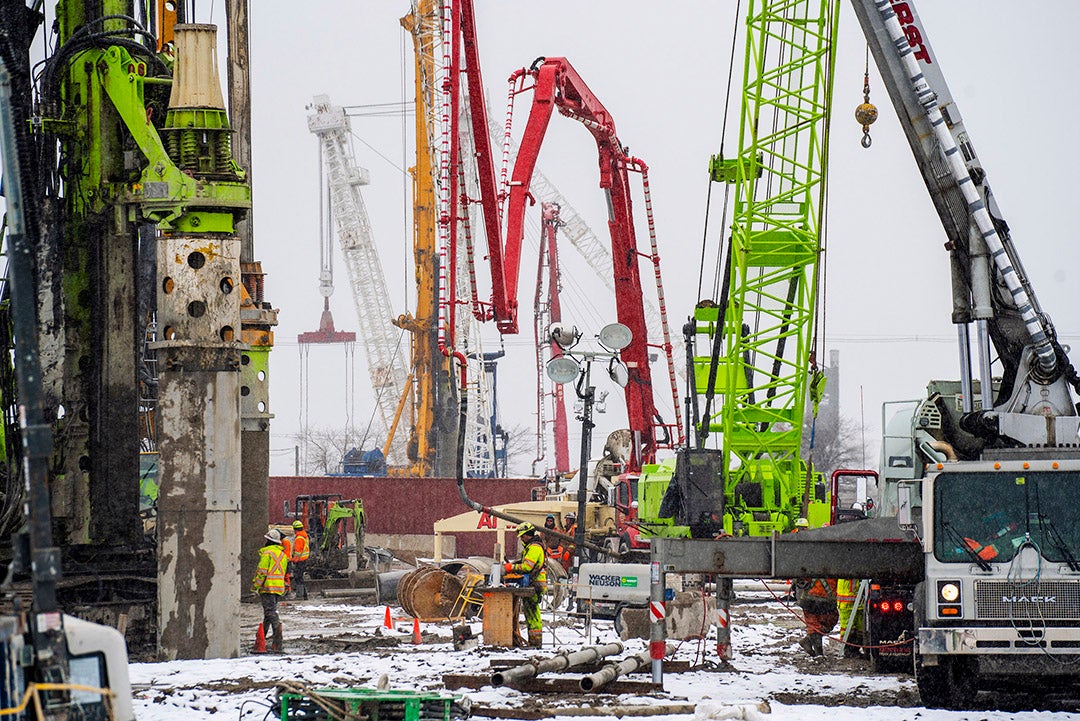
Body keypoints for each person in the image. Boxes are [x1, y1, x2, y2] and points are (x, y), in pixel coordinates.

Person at [503, 522, 547, 648]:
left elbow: (527, 566)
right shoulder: (532, 547)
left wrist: (512, 567)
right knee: (531, 613)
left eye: (523, 536)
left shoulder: (534, 548)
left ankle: (535, 642)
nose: (521, 538)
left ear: (528, 535)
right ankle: (534, 641)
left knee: (533, 614)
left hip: (535, 584)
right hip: (534, 584)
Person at [251, 528, 289, 652]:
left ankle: (278, 642)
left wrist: (256, 586)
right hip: (278, 588)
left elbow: (262, 572)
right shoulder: (282, 554)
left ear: (269, 541)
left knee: (271, 613)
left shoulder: (267, 554)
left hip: (267, 587)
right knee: (268, 613)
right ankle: (263, 638)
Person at [794, 577, 838, 657]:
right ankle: (818, 653)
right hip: (824, 599)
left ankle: (809, 641)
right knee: (819, 625)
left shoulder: (811, 566)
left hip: (811, 599)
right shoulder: (834, 566)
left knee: (816, 625)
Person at [836, 578, 865, 658]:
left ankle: (856, 649)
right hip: (847, 602)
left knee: (860, 628)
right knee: (848, 627)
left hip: (859, 601)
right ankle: (849, 649)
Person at [291, 520, 311, 600]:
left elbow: (298, 552)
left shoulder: (299, 538)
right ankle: (304, 595)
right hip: (304, 560)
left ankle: (300, 596)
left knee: (298, 577)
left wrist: (293, 560)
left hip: (300, 561)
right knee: (301, 577)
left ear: (295, 529)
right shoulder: (305, 536)